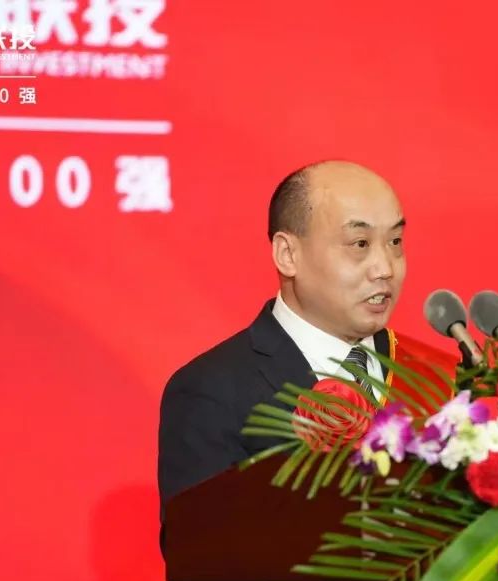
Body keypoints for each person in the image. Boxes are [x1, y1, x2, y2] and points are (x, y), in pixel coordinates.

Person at [157, 160, 408, 516]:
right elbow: (201, 545)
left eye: (395, 241)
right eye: (360, 243)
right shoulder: (211, 391)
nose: (385, 268)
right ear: (288, 254)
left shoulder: (432, 374)